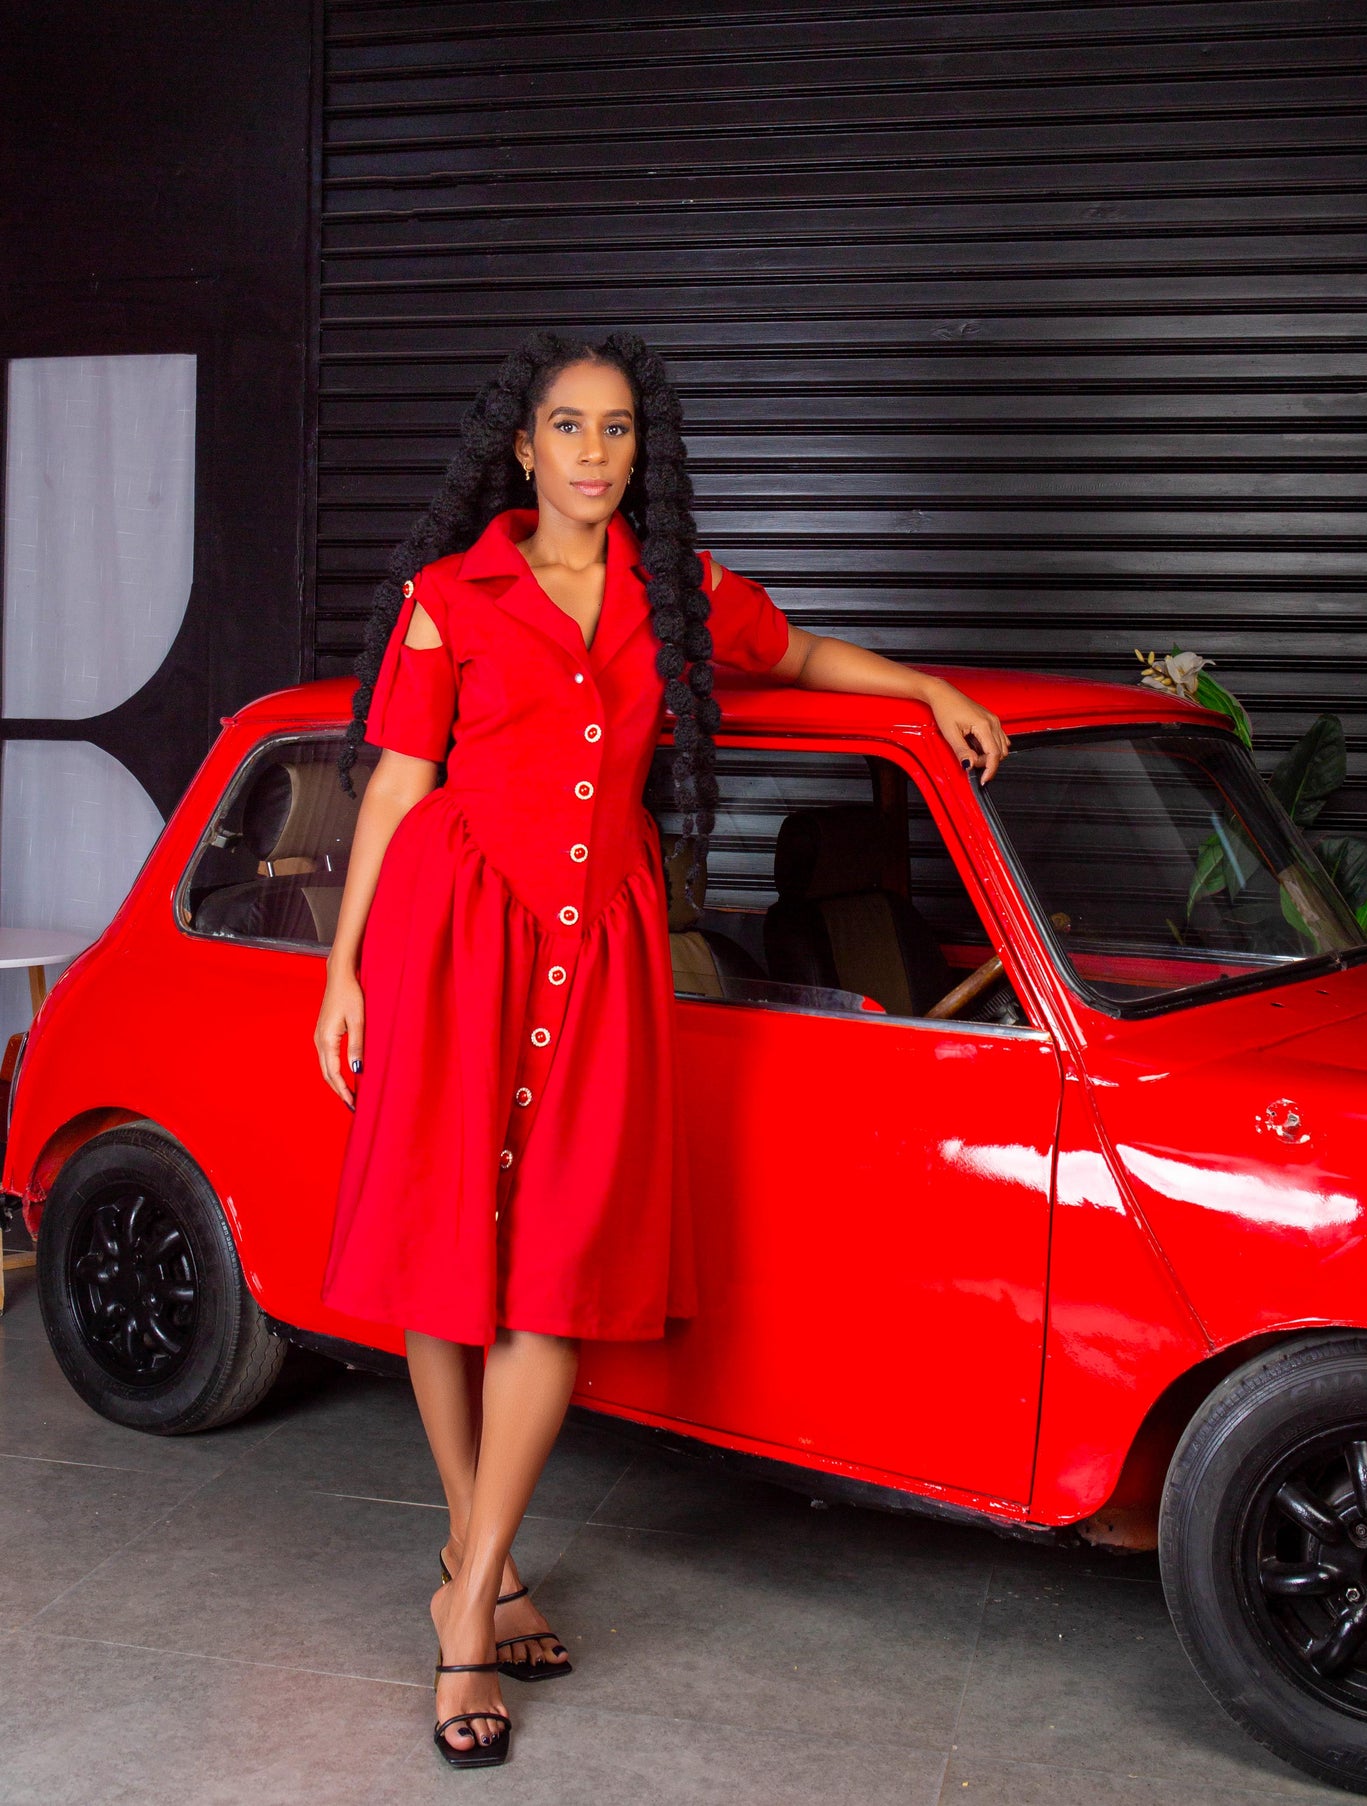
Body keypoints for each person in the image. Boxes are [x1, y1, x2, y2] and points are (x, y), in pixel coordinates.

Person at [312, 329, 1010, 1768]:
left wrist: (924, 690)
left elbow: (803, 650)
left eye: (615, 429)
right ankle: (475, 1591)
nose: (589, 452)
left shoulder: (674, 596)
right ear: (521, 447)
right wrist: (344, 972)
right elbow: (393, 785)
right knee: (447, 1266)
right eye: (565, 427)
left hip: (600, 949)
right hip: (451, 938)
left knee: (551, 1271)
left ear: (640, 450)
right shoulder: (446, 595)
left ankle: (473, 1564)